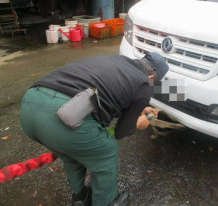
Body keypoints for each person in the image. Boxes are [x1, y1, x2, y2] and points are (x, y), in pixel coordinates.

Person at [19, 52, 169, 206]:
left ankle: (80, 198)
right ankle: (107, 202)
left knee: (72, 151)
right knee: (107, 151)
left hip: (30, 106)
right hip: (62, 115)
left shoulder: (118, 61)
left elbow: (113, 96)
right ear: (151, 78)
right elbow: (121, 131)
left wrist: (139, 109)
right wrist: (140, 122)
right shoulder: (145, 84)